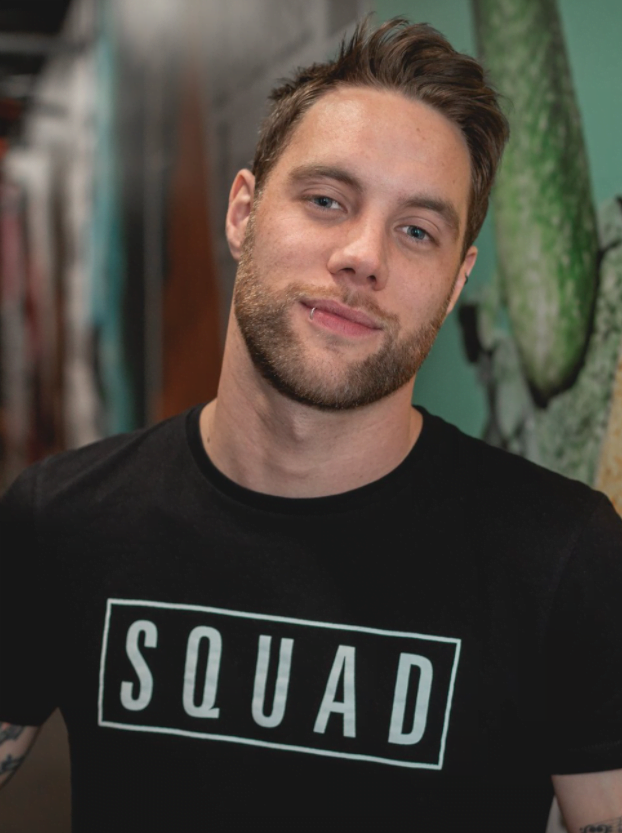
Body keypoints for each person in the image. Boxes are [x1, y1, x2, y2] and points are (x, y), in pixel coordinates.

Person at [1, 17, 622, 832]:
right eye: (327, 200)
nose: (365, 255)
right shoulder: (62, 519)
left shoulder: (561, 556)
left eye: (417, 231)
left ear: (456, 282)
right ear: (243, 212)